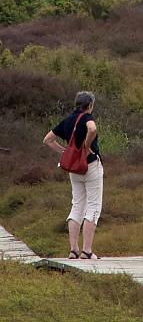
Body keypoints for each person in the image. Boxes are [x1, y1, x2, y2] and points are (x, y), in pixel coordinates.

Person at [43, 90, 103, 260]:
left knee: (77, 205)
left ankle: (73, 249)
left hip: (74, 169)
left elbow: (47, 139)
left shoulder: (68, 120)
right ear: (90, 105)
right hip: (90, 165)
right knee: (93, 206)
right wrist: (86, 145)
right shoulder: (87, 118)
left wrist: (65, 152)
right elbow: (92, 128)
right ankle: (87, 250)